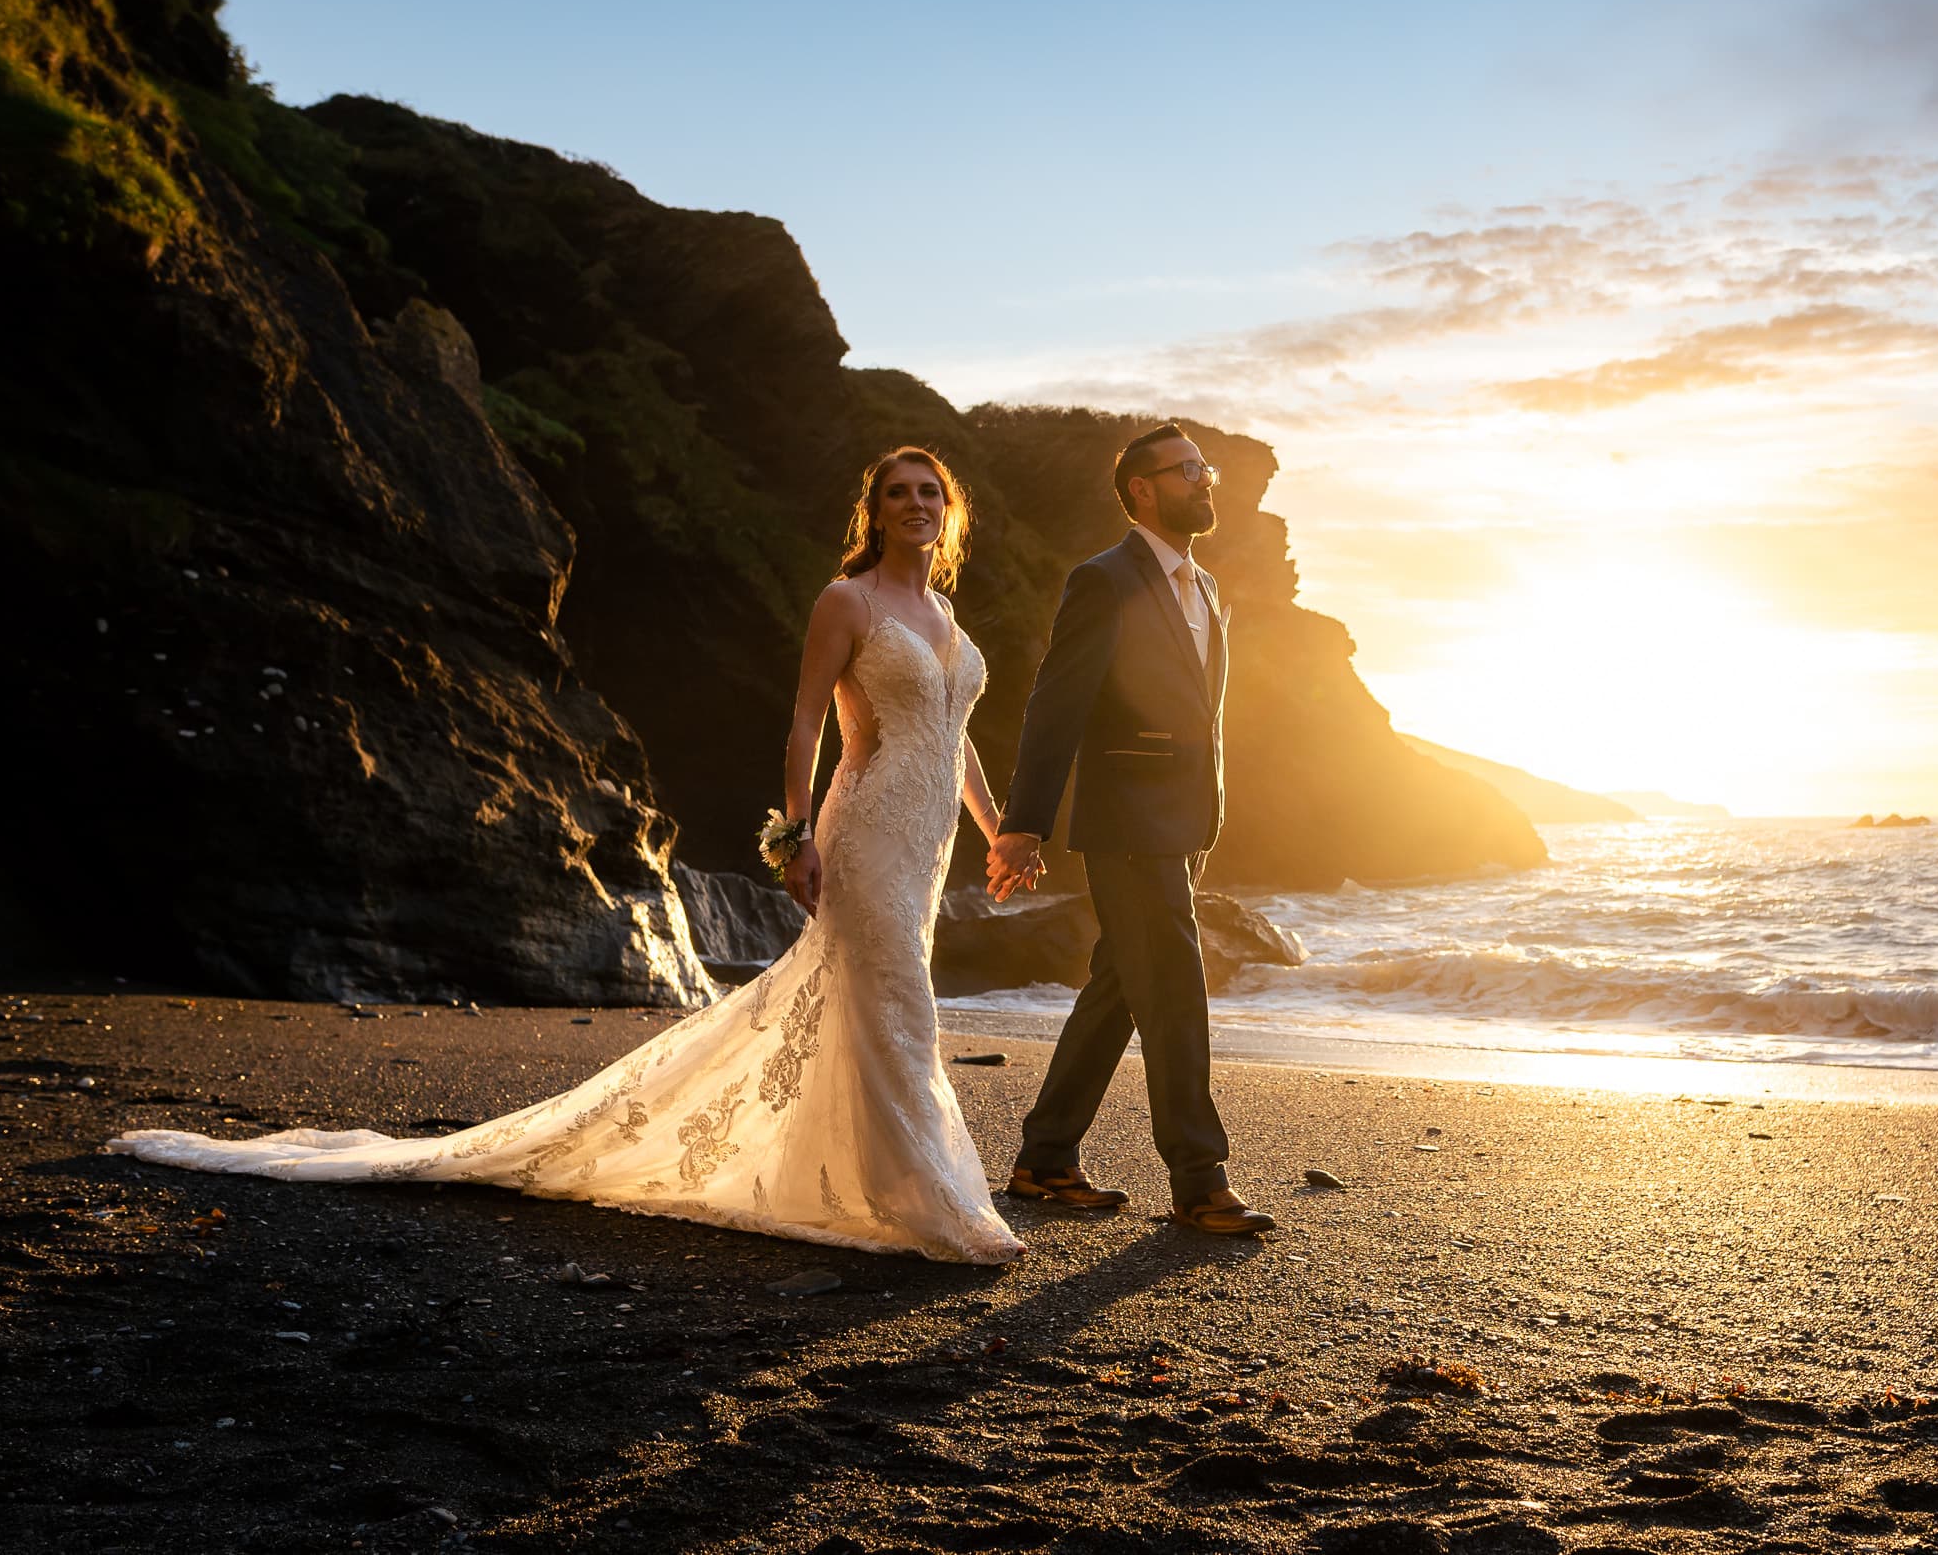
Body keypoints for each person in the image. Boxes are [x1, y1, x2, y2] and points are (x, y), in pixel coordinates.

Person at [110, 448, 1026, 1265]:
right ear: (874, 512)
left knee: (876, 999)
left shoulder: (942, 611)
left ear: (949, 512)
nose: (916, 504)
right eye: (899, 492)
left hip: (929, 841)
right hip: (864, 830)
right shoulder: (849, 601)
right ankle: (929, 1200)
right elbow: (804, 720)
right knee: (898, 995)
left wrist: (997, 829)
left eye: (931, 492)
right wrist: (792, 834)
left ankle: (870, 1182)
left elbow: (957, 737)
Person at [986, 422, 1275, 1236]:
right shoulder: (1102, 580)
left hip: (1183, 824)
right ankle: (1199, 1177)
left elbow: (1205, 718)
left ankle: (1044, 1156)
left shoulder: (1209, 589)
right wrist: (1024, 824)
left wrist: (1210, 817)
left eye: (1204, 468)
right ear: (1142, 489)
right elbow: (1057, 703)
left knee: (1122, 982)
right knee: (1176, 979)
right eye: (1187, 470)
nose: (1204, 481)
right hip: (1124, 821)